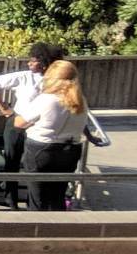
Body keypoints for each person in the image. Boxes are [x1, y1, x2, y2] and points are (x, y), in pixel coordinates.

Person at [14, 58, 110, 212]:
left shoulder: (47, 99)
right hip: (70, 151)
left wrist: (25, 103)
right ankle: (57, 230)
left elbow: (18, 123)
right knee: (57, 195)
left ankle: (36, 231)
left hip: (42, 149)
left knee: (37, 197)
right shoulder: (81, 101)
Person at [0, 42, 64, 204]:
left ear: (45, 62)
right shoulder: (24, 77)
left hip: (40, 127)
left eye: (34, 61)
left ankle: (33, 201)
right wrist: (4, 108)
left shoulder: (57, 81)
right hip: (18, 122)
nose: (29, 63)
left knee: (33, 164)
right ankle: (10, 198)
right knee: (12, 160)